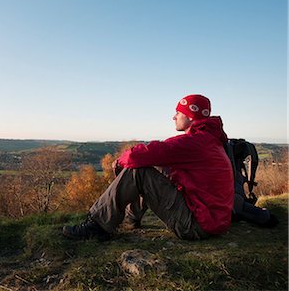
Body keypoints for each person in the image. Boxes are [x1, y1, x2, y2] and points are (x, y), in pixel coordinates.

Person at [63, 94, 234, 241]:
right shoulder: (208, 140)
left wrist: (120, 161)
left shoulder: (194, 142)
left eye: (178, 113)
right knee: (152, 168)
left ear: (190, 116)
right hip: (212, 221)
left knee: (138, 169)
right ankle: (131, 219)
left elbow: (141, 155)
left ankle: (97, 226)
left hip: (197, 225)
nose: (173, 117)